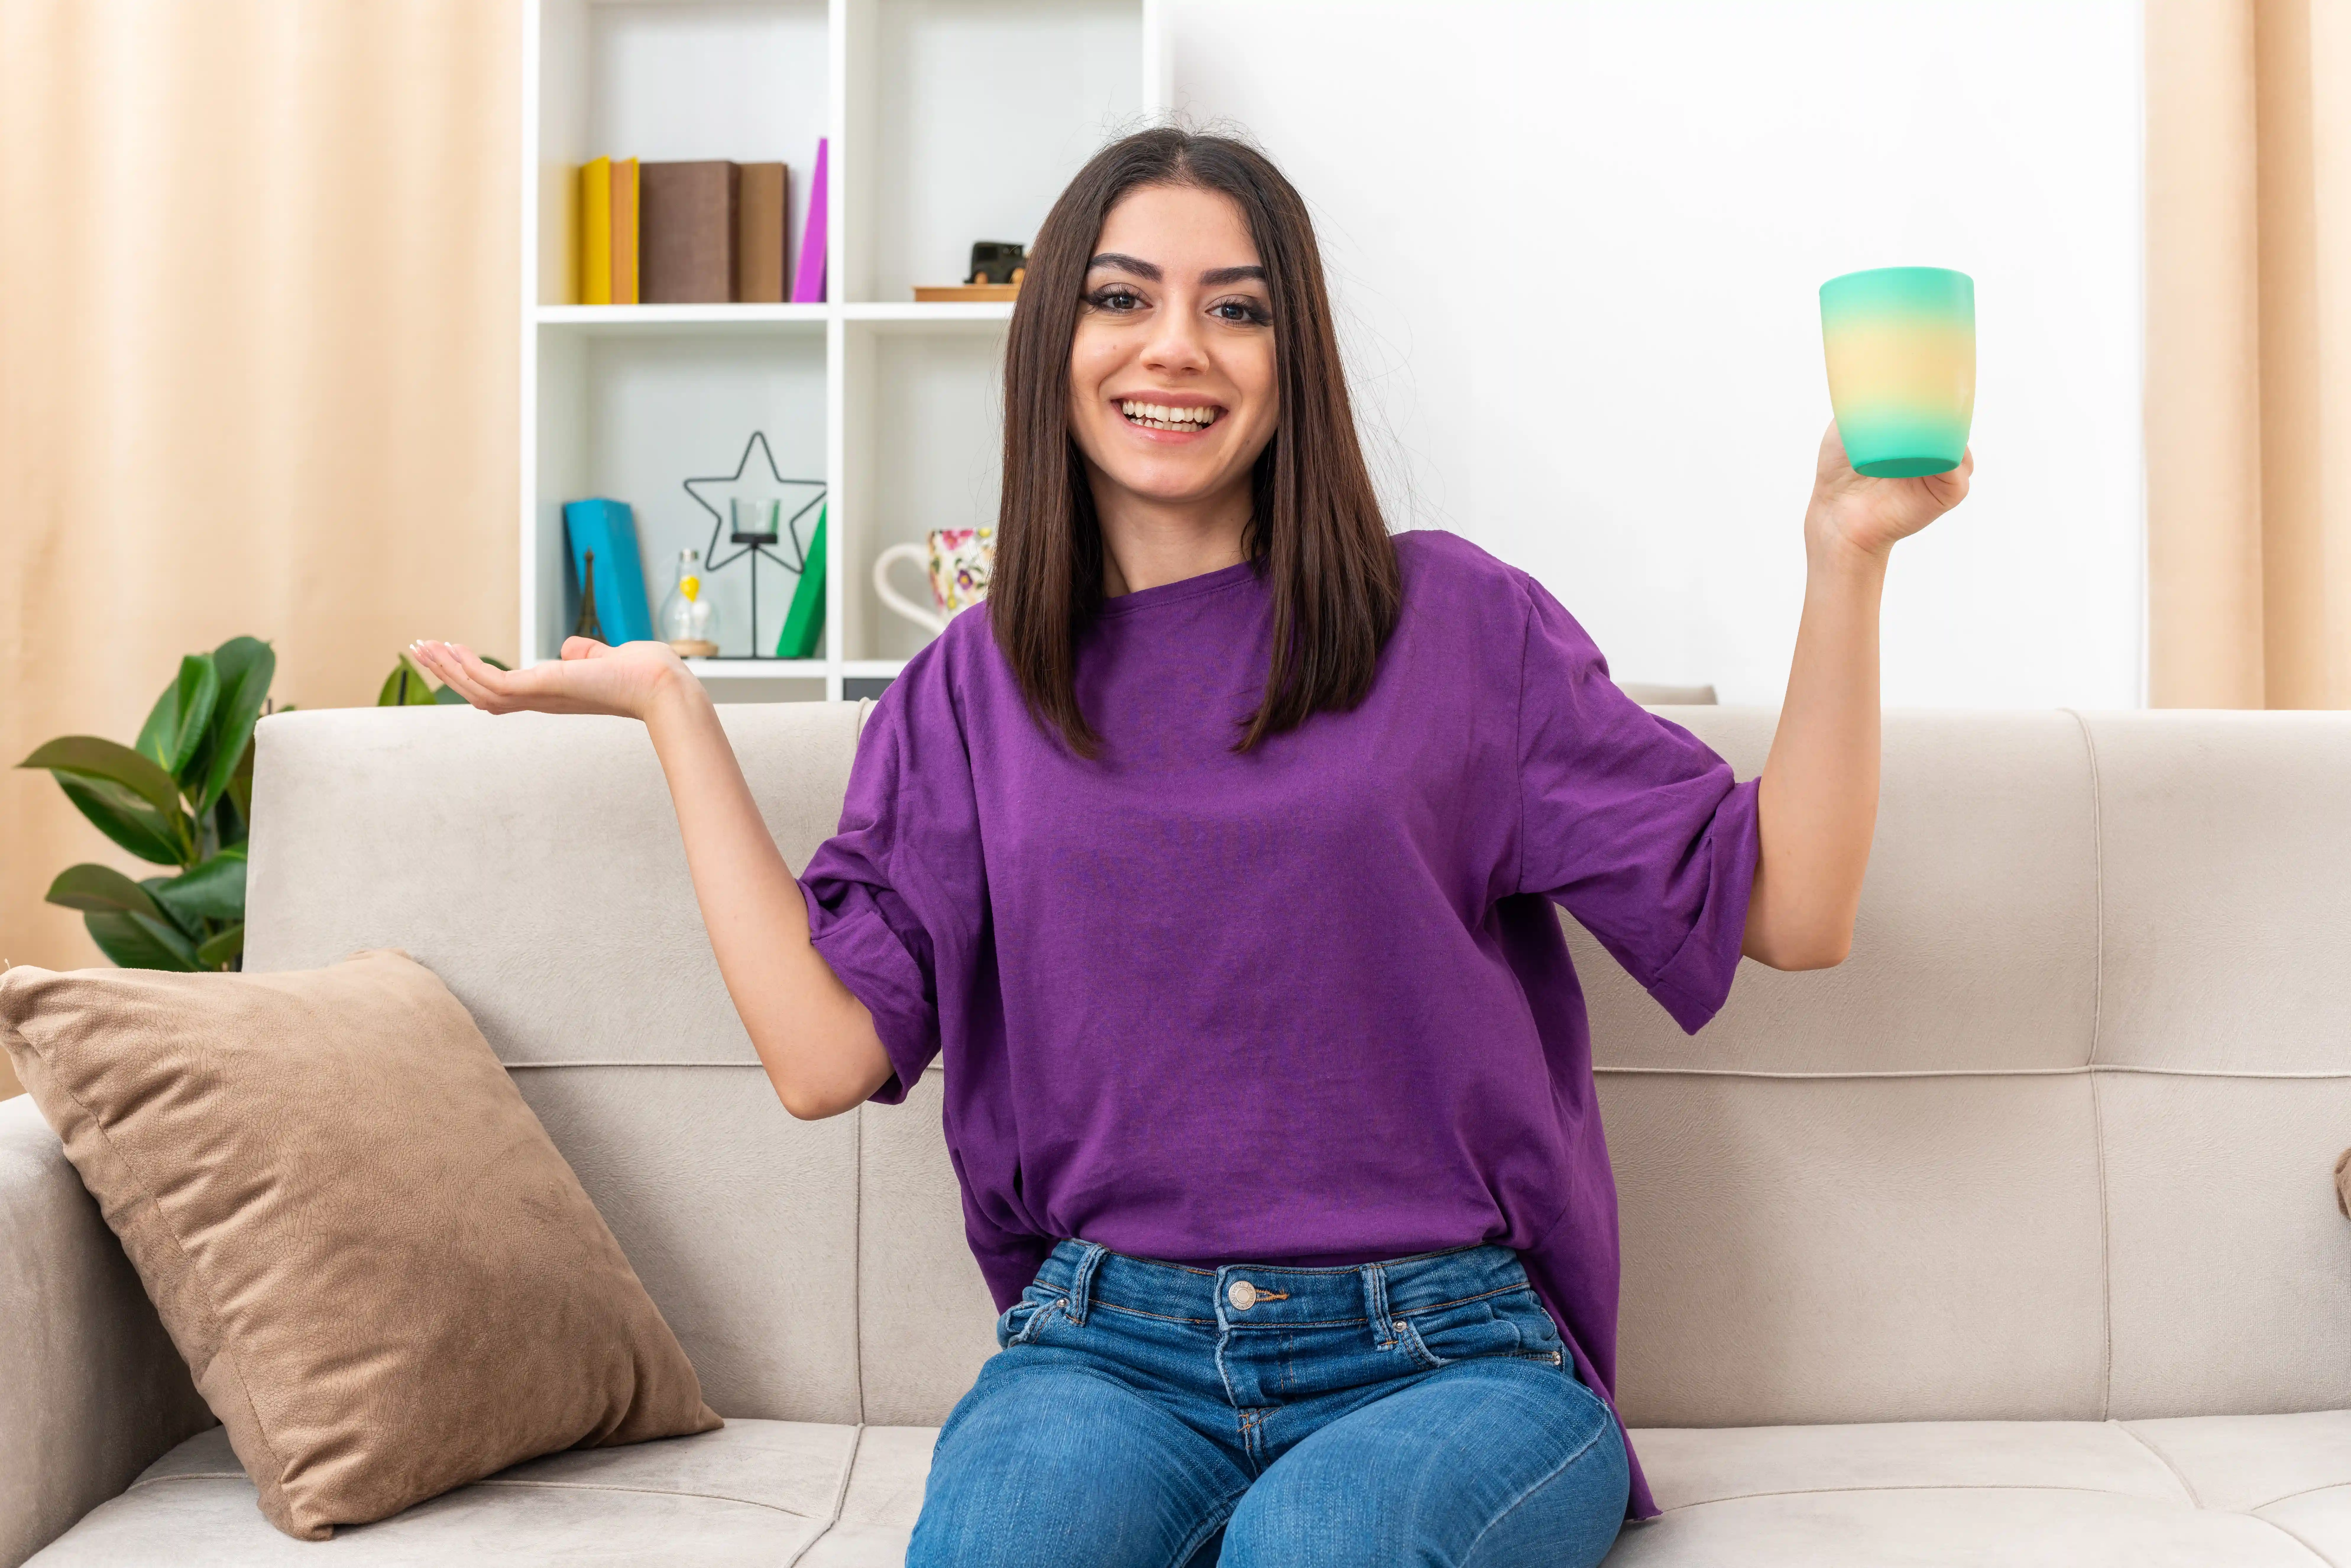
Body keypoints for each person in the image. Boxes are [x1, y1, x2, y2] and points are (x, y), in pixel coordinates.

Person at [412, 126, 1969, 1568]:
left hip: (1449, 1349)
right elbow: (824, 1055)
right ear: (1054, 348)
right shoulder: (973, 689)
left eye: (1237, 308)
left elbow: (1793, 906)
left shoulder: (1454, 625)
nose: (1176, 347)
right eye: (1122, 299)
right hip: (1106, 1346)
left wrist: (1846, 562)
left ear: (1297, 365)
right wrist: (675, 711)